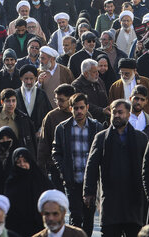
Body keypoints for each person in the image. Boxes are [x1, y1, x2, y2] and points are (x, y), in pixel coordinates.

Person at [83, 99, 148, 237]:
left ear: (129, 114)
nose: (117, 115)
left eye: (120, 112)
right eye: (114, 112)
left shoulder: (140, 138)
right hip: (110, 199)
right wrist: (89, 191)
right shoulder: (101, 138)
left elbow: (147, 168)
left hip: (133, 200)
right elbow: (92, 165)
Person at [53, 93, 104, 236]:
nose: (79, 111)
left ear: (87, 107)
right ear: (70, 109)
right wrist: (63, 171)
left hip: (91, 182)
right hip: (72, 180)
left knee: (88, 218)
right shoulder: (62, 128)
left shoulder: (96, 127)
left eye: (82, 108)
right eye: (76, 108)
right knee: (76, 217)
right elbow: (56, 152)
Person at [4, 147, 52, 237]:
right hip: (18, 226)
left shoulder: (40, 179)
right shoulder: (11, 182)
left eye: (25, 161)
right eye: (18, 162)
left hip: (38, 225)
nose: (22, 164)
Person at [109, 58, 149, 125]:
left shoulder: (145, 82)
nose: (124, 76)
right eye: (121, 73)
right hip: (124, 122)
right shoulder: (116, 86)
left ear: (135, 71)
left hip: (143, 120)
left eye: (127, 74)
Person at [38, 84, 74, 183]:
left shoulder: (82, 114)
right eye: (56, 100)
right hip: (57, 166)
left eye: (61, 100)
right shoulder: (51, 117)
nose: (58, 103)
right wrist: (41, 167)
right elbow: (44, 143)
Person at [15, 65, 53, 131]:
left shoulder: (41, 94)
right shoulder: (15, 94)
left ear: (35, 78)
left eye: (31, 79)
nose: (29, 82)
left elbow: (48, 115)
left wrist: (41, 130)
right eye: (26, 79)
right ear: (21, 78)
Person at [72, 58, 109, 123]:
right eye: (94, 72)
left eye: (97, 71)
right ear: (86, 73)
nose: (97, 74)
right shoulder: (76, 85)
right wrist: (101, 110)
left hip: (102, 120)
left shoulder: (99, 81)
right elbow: (83, 104)